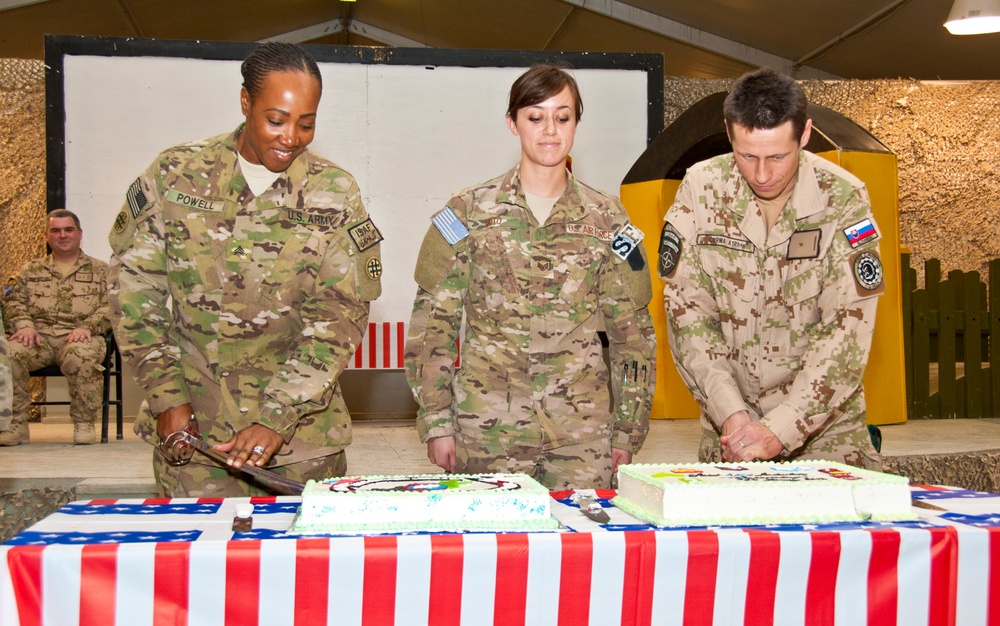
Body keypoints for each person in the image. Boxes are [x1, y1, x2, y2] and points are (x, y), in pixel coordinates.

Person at [107, 42, 382, 497]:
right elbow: (134, 291)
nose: (291, 136)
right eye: (276, 119)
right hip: (193, 435)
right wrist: (166, 397)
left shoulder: (334, 191)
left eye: (306, 123)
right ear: (245, 102)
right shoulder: (176, 174)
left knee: (304, 567)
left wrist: (276, 415)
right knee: (200, 565)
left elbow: (339, 315)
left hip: (300, 444)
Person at [405, 64, 656, 490]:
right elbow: (433, 325)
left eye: (563, 116)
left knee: (583, 549)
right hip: (486, 428)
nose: (550, 131)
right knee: (491, 551)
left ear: (577, 122)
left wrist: (628, 428)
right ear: (513, 123)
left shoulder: (609, 218)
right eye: (535, 117)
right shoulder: (467, 212)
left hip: (580, 433)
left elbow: (633, 331)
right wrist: (436, 420)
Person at [659, 67, 885, 470]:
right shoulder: (700, 188)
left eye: (777, 156)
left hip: (822, 434)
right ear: (729, 133)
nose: (762, 174)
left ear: (805, 134)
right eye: (748, 156)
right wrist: (732, 415)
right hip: (730, 432)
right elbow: (688, 316)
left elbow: (846, 331)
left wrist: (780, 428)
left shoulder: (844, 198)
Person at [0, 209, 110, 446]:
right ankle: (15, 424)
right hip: (38, 340)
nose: (63, 235)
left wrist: (88, 327)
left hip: (78, 338)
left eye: (68, 229)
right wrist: (24, 326)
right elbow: (12, 301)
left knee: (83, 355)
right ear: (46, 236)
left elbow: (112, 306)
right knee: (9, 353)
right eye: (55, 230)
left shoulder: (101, 271)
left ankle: (84, 422)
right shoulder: (30, 270)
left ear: (80, 234)